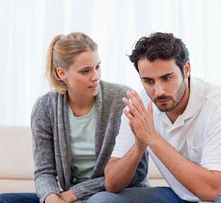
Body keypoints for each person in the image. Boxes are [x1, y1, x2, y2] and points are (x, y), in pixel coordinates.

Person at [90, 32, 221, 203]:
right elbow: (112, 184)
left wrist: (151, 138)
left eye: (167, 78)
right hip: (181, 197)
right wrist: (139, 145)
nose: (159, 91)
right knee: (102, 200)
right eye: (148, 81)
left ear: (186, 69)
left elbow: (209, 190)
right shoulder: (140, 106)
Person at [0, 32, 148, 203]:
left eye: (97, 66)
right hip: (68, 197)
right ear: (62, 73)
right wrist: (51, 198)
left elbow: (137, 173)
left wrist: (76, 193)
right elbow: (44, 172)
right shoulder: (45, 107)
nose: (96, 76)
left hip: (115, 194)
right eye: (85, 71)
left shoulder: (122, 99)